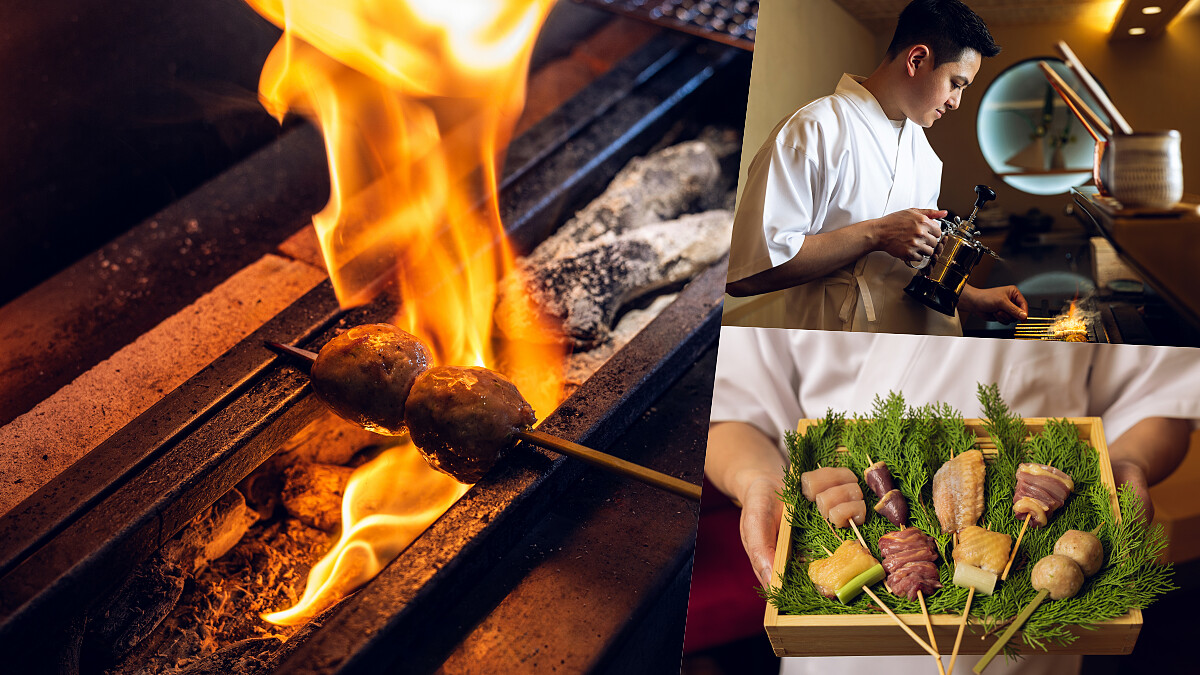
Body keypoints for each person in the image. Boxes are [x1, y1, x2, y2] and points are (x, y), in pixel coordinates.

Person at [702, 327, 1198, 675]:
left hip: (1028, 640)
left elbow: (1161, 394)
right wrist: (755, 480)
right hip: (843, 653)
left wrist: (1128, 465)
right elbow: (731, 407)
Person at [725, 0, 1028, 335]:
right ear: (916, 60)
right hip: (841, 356)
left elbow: (901, 271)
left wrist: (974, 298)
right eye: (956, 83)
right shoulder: (813, 131)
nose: (956, 101)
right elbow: (746, 274)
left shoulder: (923, 152)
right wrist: (877, 234)